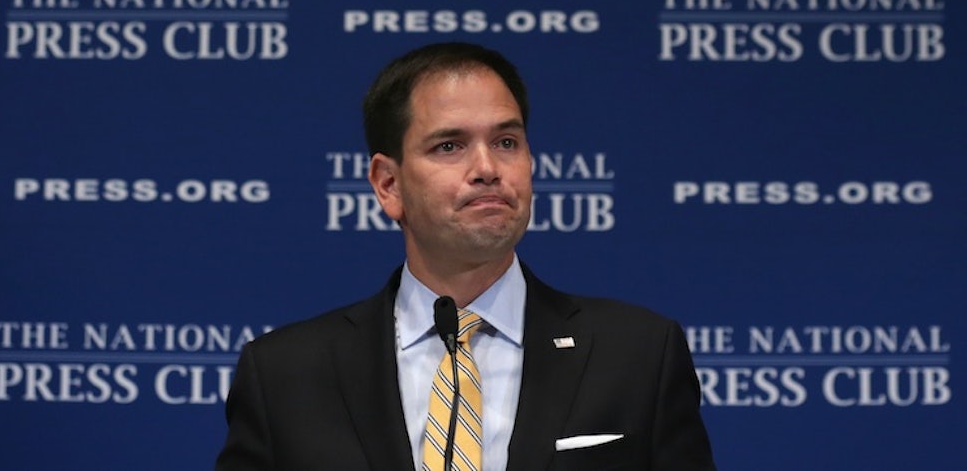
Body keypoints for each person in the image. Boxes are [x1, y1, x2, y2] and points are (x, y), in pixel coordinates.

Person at [215, 42, 717, 471]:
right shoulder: (284, 375)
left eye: (506, 142)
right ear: (388, 185)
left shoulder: (639, 356)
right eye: (449, 146)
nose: (487, 167)